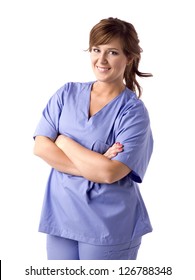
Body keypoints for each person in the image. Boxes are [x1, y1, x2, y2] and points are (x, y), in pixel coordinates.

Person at [33, 17, 153, 260]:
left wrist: (64, 142)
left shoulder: (132, 112)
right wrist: (95, 164)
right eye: (97, 50)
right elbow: (40, 146)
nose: (102, 60)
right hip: (61, 217)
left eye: (113, 52)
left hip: (108, 226)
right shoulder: (67, 93)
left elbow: (110, 173)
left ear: (129, 58)